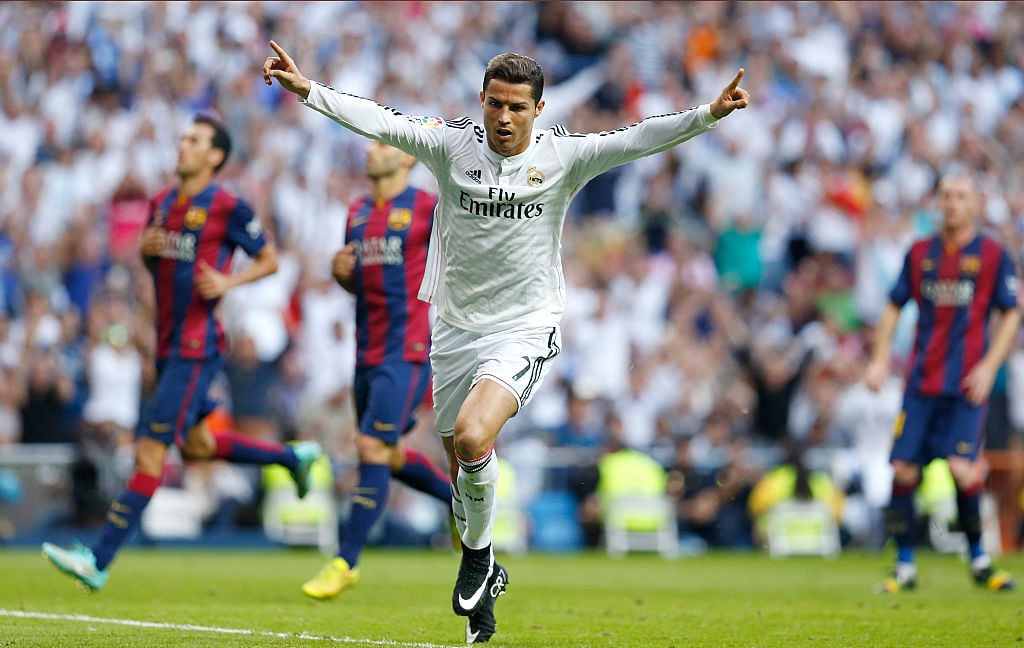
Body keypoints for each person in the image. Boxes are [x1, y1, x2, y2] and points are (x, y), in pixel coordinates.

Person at [264, 41, 749, 643]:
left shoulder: (564, 157)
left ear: (538, 108)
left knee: (473, 436)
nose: (503, 117)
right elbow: (378, 118)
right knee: (459, 478)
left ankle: (478, 558)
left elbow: (637, 137)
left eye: (517, 107)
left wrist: (708, 113)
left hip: (525, 325)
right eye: (495, 104)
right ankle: (484, 599)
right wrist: (307, 89)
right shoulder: (451, 146)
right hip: (454, 329)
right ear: (482, 101)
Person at [41, 114, 323, 591]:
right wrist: (149, 253)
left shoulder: (227, 205)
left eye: (193, 140)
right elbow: (160, 266)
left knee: (151, 453)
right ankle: (291, 459)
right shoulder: (164, 200)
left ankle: (98, 559)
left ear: (215, 155)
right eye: (183, 138)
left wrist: (229, 281)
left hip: (197, 346)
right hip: (167, 344)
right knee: (198, 445)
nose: (182, 145)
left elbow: (271, 258)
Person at [300, 140, 453, 600]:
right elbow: (363, 285)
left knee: (369, 445)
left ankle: (345, 561)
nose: (370, 149)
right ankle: (459, 500)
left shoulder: (428, 207)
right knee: (385, 453)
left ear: (407, 156)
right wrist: (342, 274)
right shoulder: (358, 212)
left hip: (404, 352)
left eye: (383, 142)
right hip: (364, 353)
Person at [864, 172, 1021, 593]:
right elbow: (894, 306)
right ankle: (904, 566)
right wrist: (880, 359)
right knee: (902, 468)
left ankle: (979, 560)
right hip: (920, 383)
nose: (951, 203)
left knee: (963, 470)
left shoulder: (992, 255)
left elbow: (1012, 311)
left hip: (965, 386)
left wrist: (989, 365)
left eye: (960, 196)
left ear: (975, 204)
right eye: (946, 195)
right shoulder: (919, 254)